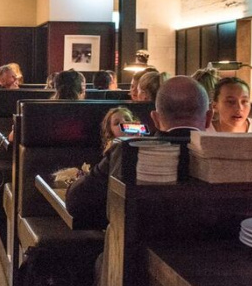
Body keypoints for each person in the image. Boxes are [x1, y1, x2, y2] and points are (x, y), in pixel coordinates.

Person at [65, 76, 212, 229]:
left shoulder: (126, 150)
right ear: (209, 118)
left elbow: (77, 202)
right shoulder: (224, 153)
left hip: (140, 243)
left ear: (155, 119)